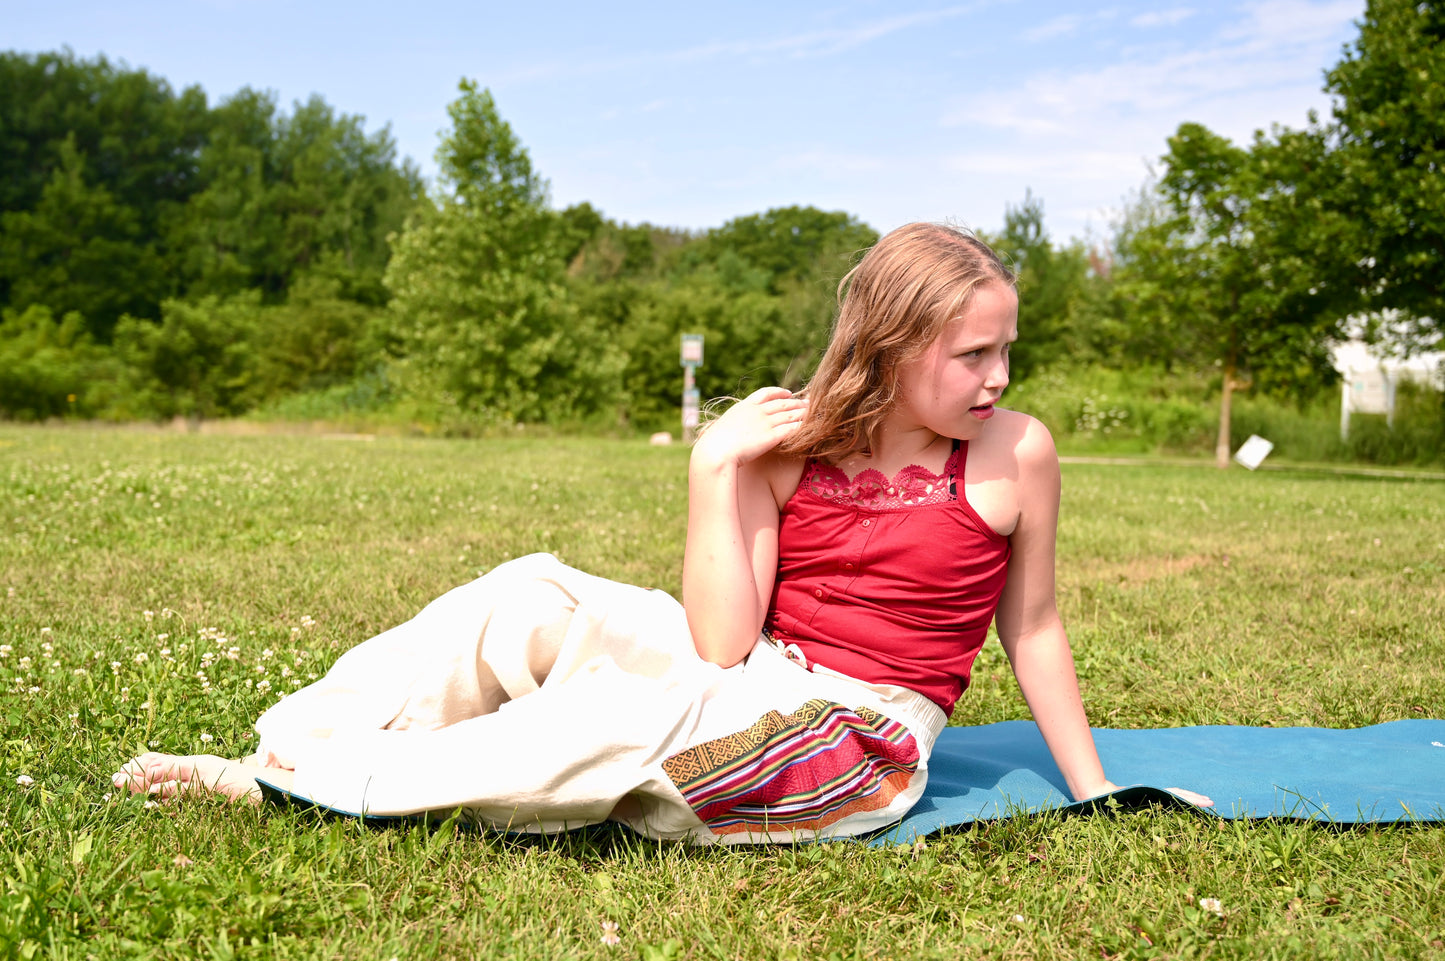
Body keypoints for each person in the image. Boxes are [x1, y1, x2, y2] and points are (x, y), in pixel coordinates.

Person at [115, 222, 1211, 841]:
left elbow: (1035, 630)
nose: (999, 375)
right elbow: (723, 644)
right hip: (756, 678)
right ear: (891, 344)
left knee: (624, 716)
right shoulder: (792, 440)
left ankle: (295, 788)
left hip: (861, 735)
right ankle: (289, 748)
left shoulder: (1016, 450)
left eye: (1004, 349)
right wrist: (711, 468)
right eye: (972, 354)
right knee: (531, 589)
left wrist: (1090, 783)